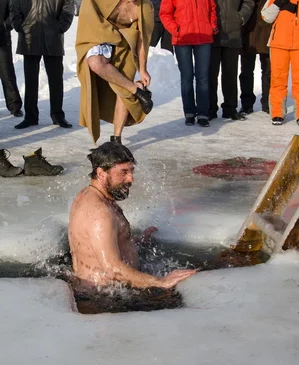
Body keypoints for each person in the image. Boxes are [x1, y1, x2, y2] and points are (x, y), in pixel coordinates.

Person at [68, 142, 198, 288]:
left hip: (108, 291)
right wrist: (161, 282)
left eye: (131, 171)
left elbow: (95, 247)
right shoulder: (99, 213)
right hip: (107, 298)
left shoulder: (89, 195)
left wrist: (133, 242)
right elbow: (112, 270)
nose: (131, 179)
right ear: (101, 174)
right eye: (123, 172)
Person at [75, 0, 155, 145]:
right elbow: (88, 8)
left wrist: (143, 69)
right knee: (95, 62)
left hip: (126, 44)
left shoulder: (146, 7)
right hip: (101, 36)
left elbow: (143, 40)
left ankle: (116, 139)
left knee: (122, 91)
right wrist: (106, 33)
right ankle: (136, 89)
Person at [10, 0, 74, 130]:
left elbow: (68, 7)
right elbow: (14, 6)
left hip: (53, 37)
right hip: (29, 36)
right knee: (30, 80)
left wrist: (60, 27)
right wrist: (19, 25)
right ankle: (30, 116)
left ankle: (58, 115)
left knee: (56, 80)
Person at [262, 0, 299, 127]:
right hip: (278, 43)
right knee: (277, 79)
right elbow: (266, 16)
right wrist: (278, 3)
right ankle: (277, 112)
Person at [160, 0, 218, 127]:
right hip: (182, 39)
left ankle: (203, 114)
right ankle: (189, 113)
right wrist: (176, 29)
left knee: (203, 78)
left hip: (204, 37)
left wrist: (212, 25)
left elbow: (212, 8)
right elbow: (165, 13)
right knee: (187, 77)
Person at [209, 0, 254, 121]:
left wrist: (240, 17)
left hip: (232, 34)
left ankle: (230, 109)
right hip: (211, 35)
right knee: (211, 75)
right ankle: (210, 109)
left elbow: (249, 2)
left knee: (230, 74)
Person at [239, 0, 272, 115]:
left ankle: (267, 102)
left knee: (268, 71)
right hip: (248, 35)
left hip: (267, 33)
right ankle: (247, 104)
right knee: (246, 72)